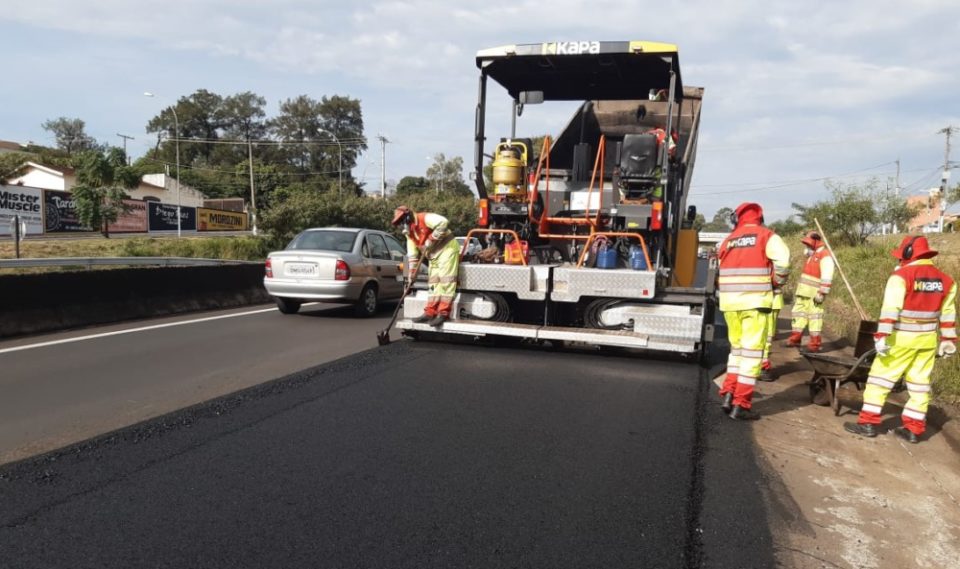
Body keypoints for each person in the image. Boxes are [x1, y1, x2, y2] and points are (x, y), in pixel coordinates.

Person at [844, 236, 957, 443]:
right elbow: (948, 313)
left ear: (907, 254)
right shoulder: (947, 280)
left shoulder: (901, 277)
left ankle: (868, 423)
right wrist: (948, 340)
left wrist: (881, 336)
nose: (899, 261)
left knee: (880, 380)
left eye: (900, 257)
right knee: (919, 384)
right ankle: (914, 429)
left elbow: (890, 310)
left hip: (901, 340)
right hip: (927, 341)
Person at [716, 202, 791, 420]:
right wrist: (777, 282)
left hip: (730, 304)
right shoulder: (767, 236)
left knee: (737, 351)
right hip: (755, 303)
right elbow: (784, 262)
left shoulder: (729, 240)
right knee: (751, 355)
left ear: (737, 219)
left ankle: (729, 393)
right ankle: (742, 405)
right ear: (760, 218)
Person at [391, 205, 461, 326]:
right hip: (433, 256)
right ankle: (430, 312)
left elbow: (443, 222)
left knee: (446, 281)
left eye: (402, 220)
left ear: (408, 216)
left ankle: (443, 313)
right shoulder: (409, 234)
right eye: (399, 222)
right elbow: (412, 257)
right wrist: (411, 275)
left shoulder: (424, 218)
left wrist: (431, 238)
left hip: (447, 250)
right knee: (433, 284)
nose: (402, 224)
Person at [787, 231, 834, 353]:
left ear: (816, 242)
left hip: (815, 295)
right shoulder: (812, 255)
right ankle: (795, 339)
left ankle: (814, 345)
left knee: (815, 318)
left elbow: (827, 276)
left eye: (808, 244)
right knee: (797, 315)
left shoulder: (825, 256)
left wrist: (822, 293)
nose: (806, 247)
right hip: (803, 293)